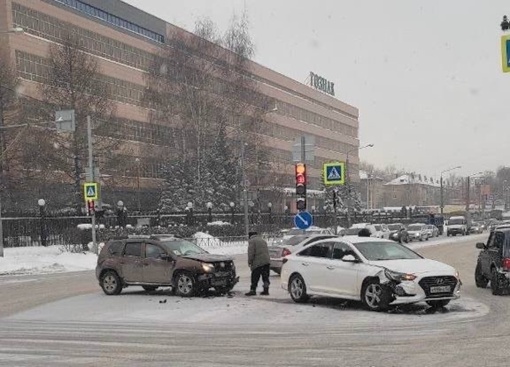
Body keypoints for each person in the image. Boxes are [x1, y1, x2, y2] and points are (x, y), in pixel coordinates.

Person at [245, 231, 271, 296]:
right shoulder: (262, 240)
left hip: (258, 263)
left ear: (250, 236)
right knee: (265, 277)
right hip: (266, 262)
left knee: (254, 277)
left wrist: (250, 262)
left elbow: (251, 253)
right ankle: (266, 290)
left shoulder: (252, 241)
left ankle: (253, 290)